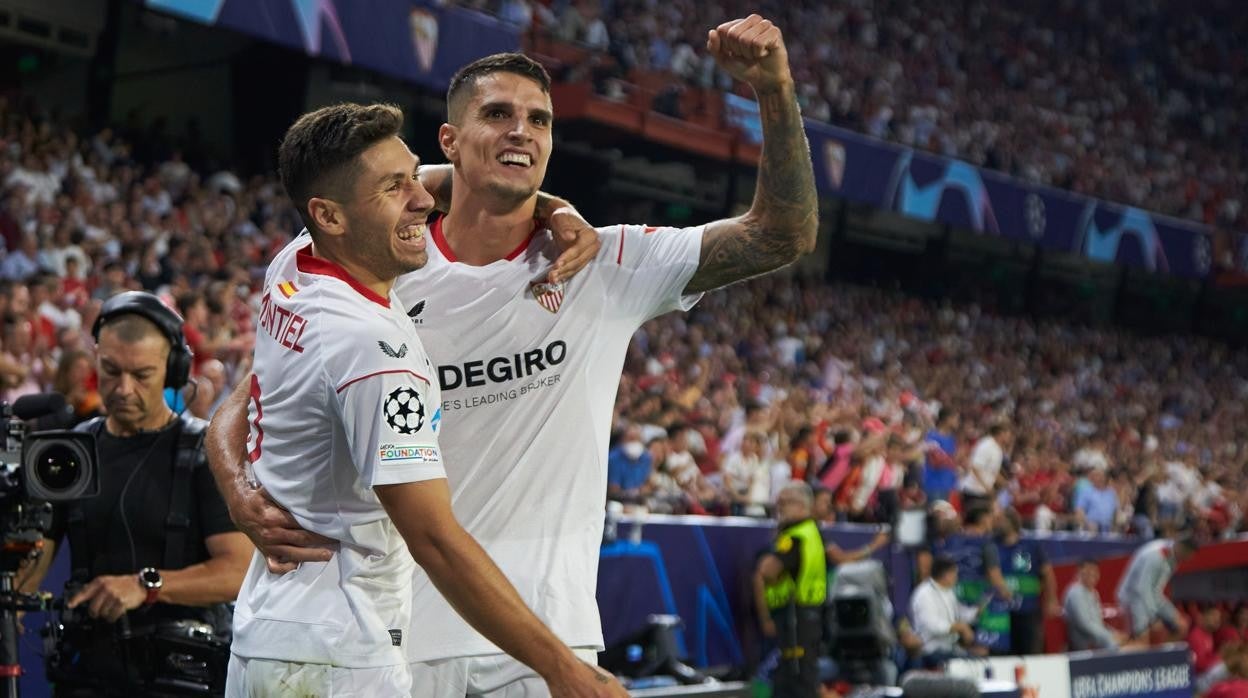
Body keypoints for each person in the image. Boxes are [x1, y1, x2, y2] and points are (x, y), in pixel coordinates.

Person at [210, 13, 817, 696]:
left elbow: (781, 235)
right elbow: (254, 388)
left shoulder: (607, 263)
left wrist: (775, 89)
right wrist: (238, 486)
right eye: (496, 114)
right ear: (450, 140)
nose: (521, 131)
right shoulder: (376, 257)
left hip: (546, 645)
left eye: (540, 120)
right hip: (395, 640)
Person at [224, 103, 623, 696]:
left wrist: (552, 206)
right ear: (329, 215)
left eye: (414, 174)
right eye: (394, 187)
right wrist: (565, 671)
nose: (421, 199)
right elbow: (434, 539)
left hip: (272, 633)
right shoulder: (372, 349)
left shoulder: (296, 265)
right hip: (342, 654)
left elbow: (439, 184)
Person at [19, 291, 253, 696]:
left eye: (141, 375)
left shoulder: (204, 450)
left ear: (174, 371)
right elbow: (28, 575)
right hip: (86, 674)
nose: (123, 389)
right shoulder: (74, 451)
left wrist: (145, 586)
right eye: (110, 371)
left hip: (181, 676)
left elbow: (238, 571)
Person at [753, 482, 827, 698]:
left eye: (785, 502)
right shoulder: (812, 532)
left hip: (796, 617)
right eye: (779, 503)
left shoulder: (795, 536)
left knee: (795, 681)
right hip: (808, 615)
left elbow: (767, 571)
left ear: (803, 506)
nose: (780, 508)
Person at [994, 509, 1058, 654]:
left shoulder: (1031, 545)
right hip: (1001, 613)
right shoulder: (993, 546)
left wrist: (1051, 599)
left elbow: (1047, 573)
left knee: (1030, 653)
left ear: (1011, 522)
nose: (997, 523)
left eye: (1000, 519)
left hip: (1028, 610)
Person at [1116, 536, 1198, 643]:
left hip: (1150, 597)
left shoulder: (1173, 558)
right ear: (1181, 547)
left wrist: (1171, 614)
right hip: (1133, 598)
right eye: (1187, 555)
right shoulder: (1156, 556)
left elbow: (1156, 591)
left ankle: (1164, 658)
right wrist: (1153, 617)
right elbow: (1142, 588)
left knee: (1181, 625)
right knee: (1143, 641)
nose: (1188, 559)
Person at [909, 555, 982, 663]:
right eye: (954, 574)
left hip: (951, 648)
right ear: (946, 575)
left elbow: (960, 614)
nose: (956, 577)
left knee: (979, 661)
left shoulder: (948, 592)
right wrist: (960, 627)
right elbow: (932, 626)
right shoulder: (924, 594)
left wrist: (976, 612)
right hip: (931, 650)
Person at [1063, 559, 1123, 651]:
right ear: (1079, 571)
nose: (1092, 573)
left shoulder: (1093, 593)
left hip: (1098, 638)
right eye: (1088, 570)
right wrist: (1109, 636)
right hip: (1085, 641)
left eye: (1095, 570)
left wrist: (1114, 633)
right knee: (1122, 646)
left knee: (1127, 641)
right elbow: (1084, 624)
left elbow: (1098, 623)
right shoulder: (1076, 593)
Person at [959, 423, 1010, 513]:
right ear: (1000, 433)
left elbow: (992, 471)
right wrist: (986, 487)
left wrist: (1006, 484)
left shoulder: (997, 448)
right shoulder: (986, 445)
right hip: (973, 491)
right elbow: (975, 467)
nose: (1009, 436)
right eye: (1007, 433)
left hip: (983, 493)